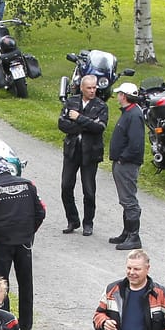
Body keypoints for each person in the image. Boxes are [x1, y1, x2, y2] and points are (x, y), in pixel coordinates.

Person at [0, 154, 45, 330]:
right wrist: (28, 232)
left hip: (1, 243)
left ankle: (4, 323)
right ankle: (26, 324)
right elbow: (41, 211)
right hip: (24, 242)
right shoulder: (28, 184)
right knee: (26, 282)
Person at [58, 74, 108, 236]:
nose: (92, 91)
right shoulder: (71, 102)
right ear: (82, 88)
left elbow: (99, 128)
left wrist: (79, 118)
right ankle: (72, 220)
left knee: (89, 190)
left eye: (94, 88)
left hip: (90, 153)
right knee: (66, 186)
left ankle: (88, 223)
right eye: (89, 88)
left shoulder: (101, 106)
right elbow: (62, 124)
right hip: (72, 151)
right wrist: (86, 125)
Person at [108, 82, 145, 251]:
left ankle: (134, 236)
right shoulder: (130, 112)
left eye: (119, 94)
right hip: (123, 162)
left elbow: (135, 143)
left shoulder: (134, 115)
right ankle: (127, 232)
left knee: (129, 200)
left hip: (127, 164)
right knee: (125, 199)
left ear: (123, 96)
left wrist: (122, 158)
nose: (117, 96)